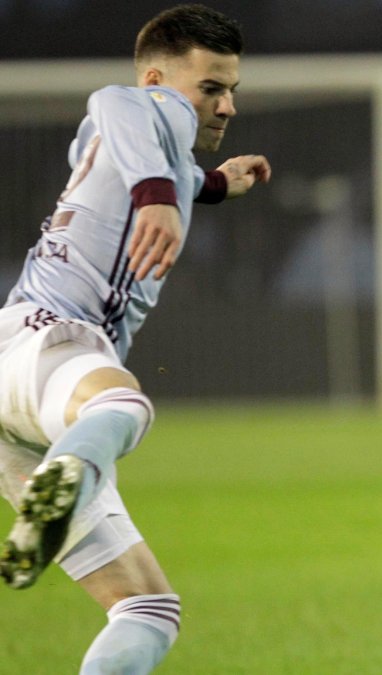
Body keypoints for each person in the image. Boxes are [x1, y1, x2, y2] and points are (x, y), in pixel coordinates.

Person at [0, 5, 270, 673]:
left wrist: (212, 184)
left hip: (26, 407)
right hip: (42, 338)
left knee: (148, 609)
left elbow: (136, 156)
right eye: (211, 87)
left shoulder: (148, 153)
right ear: (158, 79)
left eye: (232, 89)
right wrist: (157, 192)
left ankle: (54, 485)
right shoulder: (143, 108)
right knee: (122, 405)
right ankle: (55, 491)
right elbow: (117, 103)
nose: (226, 105)